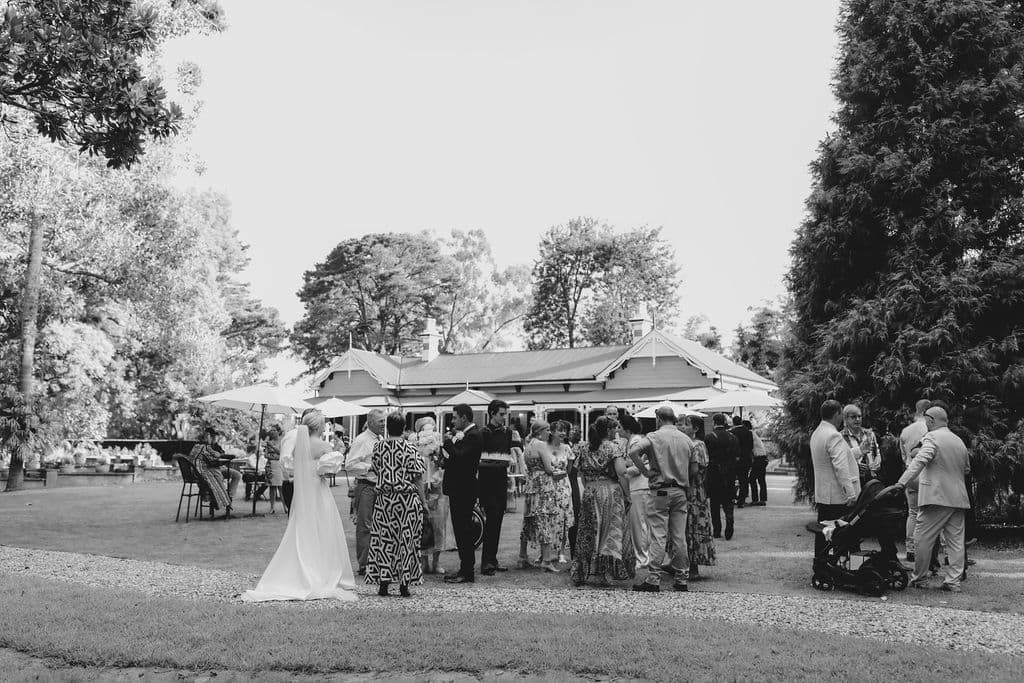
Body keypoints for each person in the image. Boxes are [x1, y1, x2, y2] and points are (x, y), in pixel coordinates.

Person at [242, 425, 358, 602]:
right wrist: (339, 451)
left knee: (302, 527)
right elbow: (328, 471)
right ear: (319, 427)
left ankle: (299, 567)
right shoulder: (323, 446)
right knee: (323, 528)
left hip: (303, 491)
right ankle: (322, 571)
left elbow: (289, 466)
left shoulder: (298, 446)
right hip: (318, 491)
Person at [892, 407, 971, 592]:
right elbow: (966, 469)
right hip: (958, 498)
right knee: (955, 542)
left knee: (922, 538)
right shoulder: (958, 441)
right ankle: (953, 581)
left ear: (931, 420)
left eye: (927, 421)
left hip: (936, 497)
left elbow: (919, 461)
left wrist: (901, 483)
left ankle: (919, 578)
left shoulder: (932, 438)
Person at [628, 406, 695, 592]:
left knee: (658, 535)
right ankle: (681, 578)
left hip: (660, 490)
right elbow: (695, 468)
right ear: (673, 418)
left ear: (658, 418)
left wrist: (646, 471)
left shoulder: (653, 436)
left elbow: (633, 452)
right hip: (680, 491)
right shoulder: (686, 439)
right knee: (679, 537)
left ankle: (653, 579)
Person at [365, 411, 427, 597]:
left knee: (384, 541)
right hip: (406, 500)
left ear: (387, 428)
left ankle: (383, 583)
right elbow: (418, 478)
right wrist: (423, 503)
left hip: (385, 500)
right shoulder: (410, 448)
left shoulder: (378, 447)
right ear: (404, 428)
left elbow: (375, 470)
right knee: (406, 541)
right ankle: (404, 584)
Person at [569, 416, 635, 587]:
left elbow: (580, 473)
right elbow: (622, 472)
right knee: (608, 530)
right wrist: (627, 495)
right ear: (608, 430)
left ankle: (582, 572)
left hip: (590, 491)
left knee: (587, 531)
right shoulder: (613, 448)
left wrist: (590, 487)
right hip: (609, 491)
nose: (617, 431)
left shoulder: (584, 448)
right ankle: (606, 572)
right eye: (614, 428)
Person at [811, 399, 860, 572]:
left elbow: (835, 458)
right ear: (837, 414)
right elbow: (841, 467)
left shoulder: (818, 433)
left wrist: (860, 451)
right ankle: (851, 568)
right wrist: (850, 494)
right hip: (837, 494)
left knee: (824, 531)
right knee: (845, 532)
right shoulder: (834, 435)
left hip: (824, 492)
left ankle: (820, 563)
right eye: (841, 414)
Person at [519, 420, 572, 571]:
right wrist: (560, 473)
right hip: (544, 487)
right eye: (547, 430)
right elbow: (549, 469)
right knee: (545, 520)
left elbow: (530, 467)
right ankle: (547, 560)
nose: (549, 432)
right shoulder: (541, 445)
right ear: (539, 431)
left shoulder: (528, 445)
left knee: (529, 521)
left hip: (531, 486)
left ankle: (522, 556)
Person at [477, 399, 522, 575]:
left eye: (506, 414)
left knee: (497, 521)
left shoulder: (508, 433)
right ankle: (486, 562)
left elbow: (507, 455)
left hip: (501, 480)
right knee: (490, 522)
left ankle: (492, 560)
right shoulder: (484, 433)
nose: (504, 418)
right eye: (501, 414)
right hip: (487, 481)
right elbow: (481, 460)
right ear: (492, 413)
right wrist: (499, 461)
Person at [442, 403, 483, 584]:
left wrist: (448, 442)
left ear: (464, 418)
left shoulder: (474, 435)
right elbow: (455, 460)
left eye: (455, 417)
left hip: (464, 488)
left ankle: (467, 571)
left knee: (463, 530)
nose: (452, 421)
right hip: (458, 487)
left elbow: (460, 457)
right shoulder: (467, 435)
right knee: (459, 530)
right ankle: (464, 567)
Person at [344, 408, 386, 576]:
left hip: (381, 487)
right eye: (380, 421)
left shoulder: (381, 439)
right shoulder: (361, 440)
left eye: (384, 421)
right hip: (366, 486)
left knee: (380, 526)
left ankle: (377, 560)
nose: (384, 424)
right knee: (365, 526)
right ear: (370, 423)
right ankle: (364, 564)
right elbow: (349, 465)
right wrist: (370, 467)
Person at [411, 416, 448, 575]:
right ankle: (423, 561)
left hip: (436, 488)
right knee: (421, 525)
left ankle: (436, 561)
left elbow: (444, 464)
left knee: (438, 525)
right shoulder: (414, 447)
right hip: (419, 487)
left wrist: (437, 477)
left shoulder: (439, 449)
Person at [682, 415, 715, 581]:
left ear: (695, 429)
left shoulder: (698, 445)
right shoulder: (686, 443)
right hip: (688, 489)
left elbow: (697, 470)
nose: (682, 427)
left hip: (694, 491)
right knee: (684, 526)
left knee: (693, 525)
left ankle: (693, 566)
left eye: (686, 424)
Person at [899, 399, 931, 562]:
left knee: (913, 513)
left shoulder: (905, 431)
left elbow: (904, 456)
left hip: (911, 475)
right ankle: (944, 553)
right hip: (927, 475)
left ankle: (911, 549)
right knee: (936, 513)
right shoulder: (931, 429)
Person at [620, 414, 650, 572]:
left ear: (627, 429)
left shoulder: (636, 441)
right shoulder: (630, 441)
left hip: (639, 486)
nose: (618, 430)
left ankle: (643, 557)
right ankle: (641, 555)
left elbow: (639, 466)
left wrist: (624, 471)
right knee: (638, 523)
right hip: (636, 487)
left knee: (639, 524)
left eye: (620, 427)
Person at [704, 414, 739, 540]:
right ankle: (729, 519)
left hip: (714, 472)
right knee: (728, 499)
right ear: (724, 422)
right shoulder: (733, 437)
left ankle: (717, 530)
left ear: (714, 422)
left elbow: (705, 457)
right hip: (729, 472)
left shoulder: (709, 437)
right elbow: (737, 456)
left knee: (714, 502)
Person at [186, 427, 234, 516]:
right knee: (217, 479)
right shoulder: (205, 447)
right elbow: (214, 457)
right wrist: (218, 454)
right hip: (200, 473)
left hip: (192, 473)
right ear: (209, 437)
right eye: (213, 437)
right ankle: (224, 502)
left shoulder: (196, 446)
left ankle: (221, 501)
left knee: (216, 476)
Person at [842, 403, 881, 484]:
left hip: (872, 478)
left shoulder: (869, 434)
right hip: (853, 481)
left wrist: (877, 462)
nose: (857, 419)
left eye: (859, 416)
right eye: (853, 417)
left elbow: (877, 452)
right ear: (845, 419)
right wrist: (855, 467)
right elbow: (841, 460)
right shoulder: (840, 437)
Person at [730, 416, 754, 508]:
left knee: (732, 480)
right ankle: (741, 501)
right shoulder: (748, 432)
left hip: (735, 460)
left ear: (733, 422)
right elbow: (751, 446)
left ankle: (732, 498)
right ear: (741, 422)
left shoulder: (732, 432)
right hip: (746, 460)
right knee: (744, 481)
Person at [263, 423, 285, 514]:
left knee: (281, 487)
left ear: (278, 431)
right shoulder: (269, 442)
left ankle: (285, 506)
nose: (272, 432)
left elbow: (282, 453)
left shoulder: (282, 441)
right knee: (272, 488)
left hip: (279, 466)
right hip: (271, 466)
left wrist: (272, 448)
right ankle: (272, 507)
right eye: (271, 430)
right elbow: (266, 455)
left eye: (274, 430)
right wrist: (274, 456)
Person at [747, 420, 768, 506]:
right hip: (763, 458)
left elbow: (749, 447)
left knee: (752, 479)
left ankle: (755, 499)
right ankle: (762, 499)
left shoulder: (750, 434)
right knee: (761, 479)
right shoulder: (754, 434)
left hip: (758, 459)